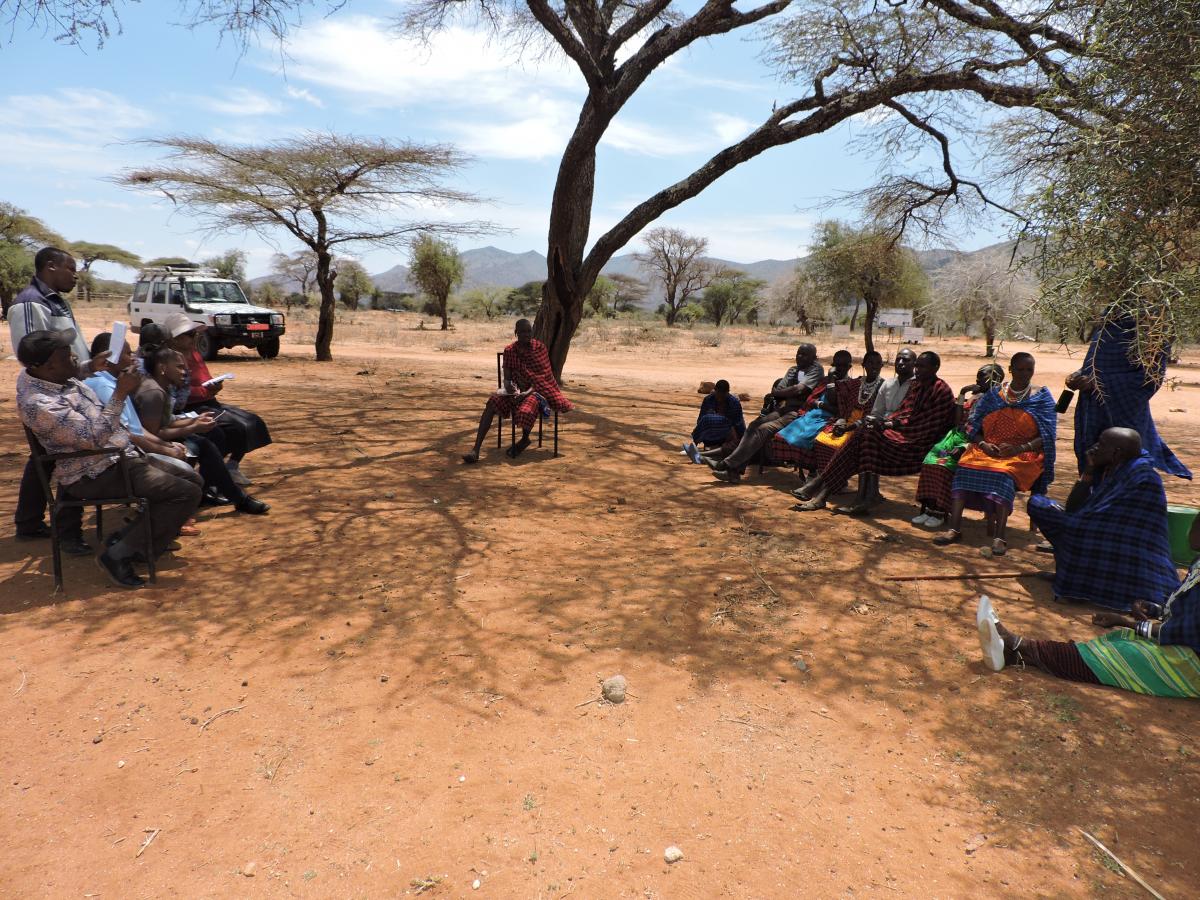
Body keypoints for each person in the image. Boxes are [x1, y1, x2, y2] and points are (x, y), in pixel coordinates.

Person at [15, 330, 202, 589]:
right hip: (93, 470)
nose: (74, 357)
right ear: (50, 365)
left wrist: (90, 366)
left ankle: (129, 541)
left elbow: (68, 372)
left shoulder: (46, 376)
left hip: (118, 457)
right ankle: (118, 554)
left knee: (192, 479)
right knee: (184, 493)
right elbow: (94, 438)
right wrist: (120, 394)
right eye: (67, 355)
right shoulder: (41, 404)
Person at [976, 516, 1200, 697]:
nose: (1192, 528)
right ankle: (1017, 653)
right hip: (1184, 649)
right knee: (1117, 640)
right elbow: (1183, 612)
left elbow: (1185, 633)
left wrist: (1128, 622)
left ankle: (1017, 646)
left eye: (1197, 523)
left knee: (1122, 652)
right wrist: (1155, 610)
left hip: (1191, 665)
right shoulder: (1197, 565)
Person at [9, 247, 109, 548]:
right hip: (47, 396)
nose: (76, 275)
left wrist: (88, 366)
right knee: (53, 458)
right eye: (70, 268)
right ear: (50, 267)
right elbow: (33, 354)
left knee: (55, 458)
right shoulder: (30, 304)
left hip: (65, 388)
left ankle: (47, 526)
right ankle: (42, 526)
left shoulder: (55, 302)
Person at [1028, 427, 1178, 612]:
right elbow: (1075, 508)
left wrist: (1076, 523)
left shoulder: (1143, 477)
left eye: (1101, 444)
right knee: (1039, 504)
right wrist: (1089, 471)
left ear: (1116, 453)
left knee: (1066, 525)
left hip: (1127, 546)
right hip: (1101, 532)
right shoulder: (1111, 468)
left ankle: (1075, 580)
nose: (1095, 447)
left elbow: (1096, 517)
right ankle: (1069, 573)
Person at [793, 349, 954, 514]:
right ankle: (854, 496)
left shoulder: (940, 390)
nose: (917, 370)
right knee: (865, 434)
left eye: (921, 366)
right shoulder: (916, 386)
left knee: (865, 435)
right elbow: (903, 413)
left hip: (918, 442)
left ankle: (823, 487)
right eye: (917, 366)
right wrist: (883, 423)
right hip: (900, 432)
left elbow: (924, 425)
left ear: (935, 368)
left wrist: (887, 424)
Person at [932, 353, 1057, 555]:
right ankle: (954, 528)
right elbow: (972, 425)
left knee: (1003, 474)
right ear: (1010, 369)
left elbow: (1047, 435)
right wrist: (984, 444)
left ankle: (1000, 536)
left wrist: (1020, 448)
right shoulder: (994, 395)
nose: (1025, 374)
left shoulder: (1041, 397)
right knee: (963, 468)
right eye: (1020, 369)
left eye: (1029, 370)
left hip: (1022, 455)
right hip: (988, 449)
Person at [134, 344, 270, 515]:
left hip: (163, 438)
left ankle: (213, 494)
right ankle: (234, 497)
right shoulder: (153, 392)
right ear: (162, 368)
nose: (185, 371)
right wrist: (192, 427)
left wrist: (194, 421)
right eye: (179, 367)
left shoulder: (163, 387)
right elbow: (154, 433)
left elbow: (167, 422)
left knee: (210, 440)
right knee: (205, 445)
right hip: (151, 446)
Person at [1068, 309, 1191, 480]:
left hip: (1123, 410)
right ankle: (1094, 500)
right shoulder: (1109, 313)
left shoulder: (1150, 321)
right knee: (1092, 460)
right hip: (1092, 408)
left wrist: (1100, 383)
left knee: (1124, 461)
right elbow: (1098, 361)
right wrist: (1078, 375)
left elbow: (1150, 378)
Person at [165, 312, 272, 484]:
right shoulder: (169, 359)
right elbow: (175, 392)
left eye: (194, 333)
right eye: (189, 334)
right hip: (190, 407)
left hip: (208, 401)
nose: (194, 337)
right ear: (174, 338)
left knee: (252, 421)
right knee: (232, 428)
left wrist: (214, 386)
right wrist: (205, 391)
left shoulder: (194, 352)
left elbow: (203, 376)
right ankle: (211, 474)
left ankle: (232, 467)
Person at [705, 343, 823, 483]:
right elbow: (778, 391)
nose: (800, 356)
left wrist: (786, 392)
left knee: (764, 429)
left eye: (804, 354)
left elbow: (797, 389)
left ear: (814, 357)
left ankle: (727, 464)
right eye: (798, 353)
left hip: (800, 413)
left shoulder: (816, 369)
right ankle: (733, 470)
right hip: (784, 409)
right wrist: (786, 392)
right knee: (754, 425)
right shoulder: (792, 370)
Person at [463, 318, 574, 463]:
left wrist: (525, 394)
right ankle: (475, 450)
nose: (526, 334)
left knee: (525, 411)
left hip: (536, 391)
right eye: (522, 332)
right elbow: (507, 377)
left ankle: (524, 439)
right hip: (515, 391)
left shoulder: (540, 348)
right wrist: (508, 386)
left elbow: (542, 378)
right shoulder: (510, 350)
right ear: (516, 333)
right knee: (491, 403)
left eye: (529, 331)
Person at [911, 363, 1004, 529]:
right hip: (956, 435)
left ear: (996, 379)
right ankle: (929, 508)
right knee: (929, 461)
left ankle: (941, 511)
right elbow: (957, 421)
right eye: (977, 375)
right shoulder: (975, 396)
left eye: (982, 376)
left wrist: (966, 445)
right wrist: (962, 393)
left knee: (945, 465)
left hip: (975, 441)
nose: (977, 379)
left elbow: (987, 430)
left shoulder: (998, 401)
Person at [683, 379, 745, 463]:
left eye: (723, 394)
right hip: (710, 432)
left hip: (728, 433)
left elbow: (738, 423)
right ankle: (695, 446)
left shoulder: (734, 403)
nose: (720, 398)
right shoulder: (708, 400)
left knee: (729, 442)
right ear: (715, 391)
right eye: (718, 394)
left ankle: (701, 456)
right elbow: (700, 419)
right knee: (706, 419)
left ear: (727, 392)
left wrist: (742, 438)